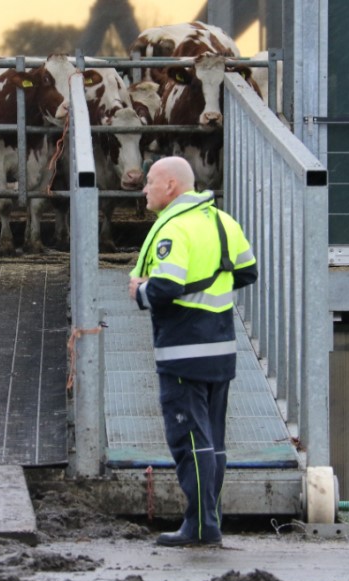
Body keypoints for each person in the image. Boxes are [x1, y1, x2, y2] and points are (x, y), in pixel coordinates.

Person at [128, 156, 257, 547]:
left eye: (150, 181)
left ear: (170, 186)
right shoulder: (222, 220)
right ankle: (209, 519)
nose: (144, 189)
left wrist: (139, 291)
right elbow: (247, 271)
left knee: (190, 439)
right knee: (213, 440)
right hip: (220, 345)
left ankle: (200, 526)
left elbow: (165, 288)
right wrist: (211, 284)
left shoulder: (175, 229)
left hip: (184, 349)